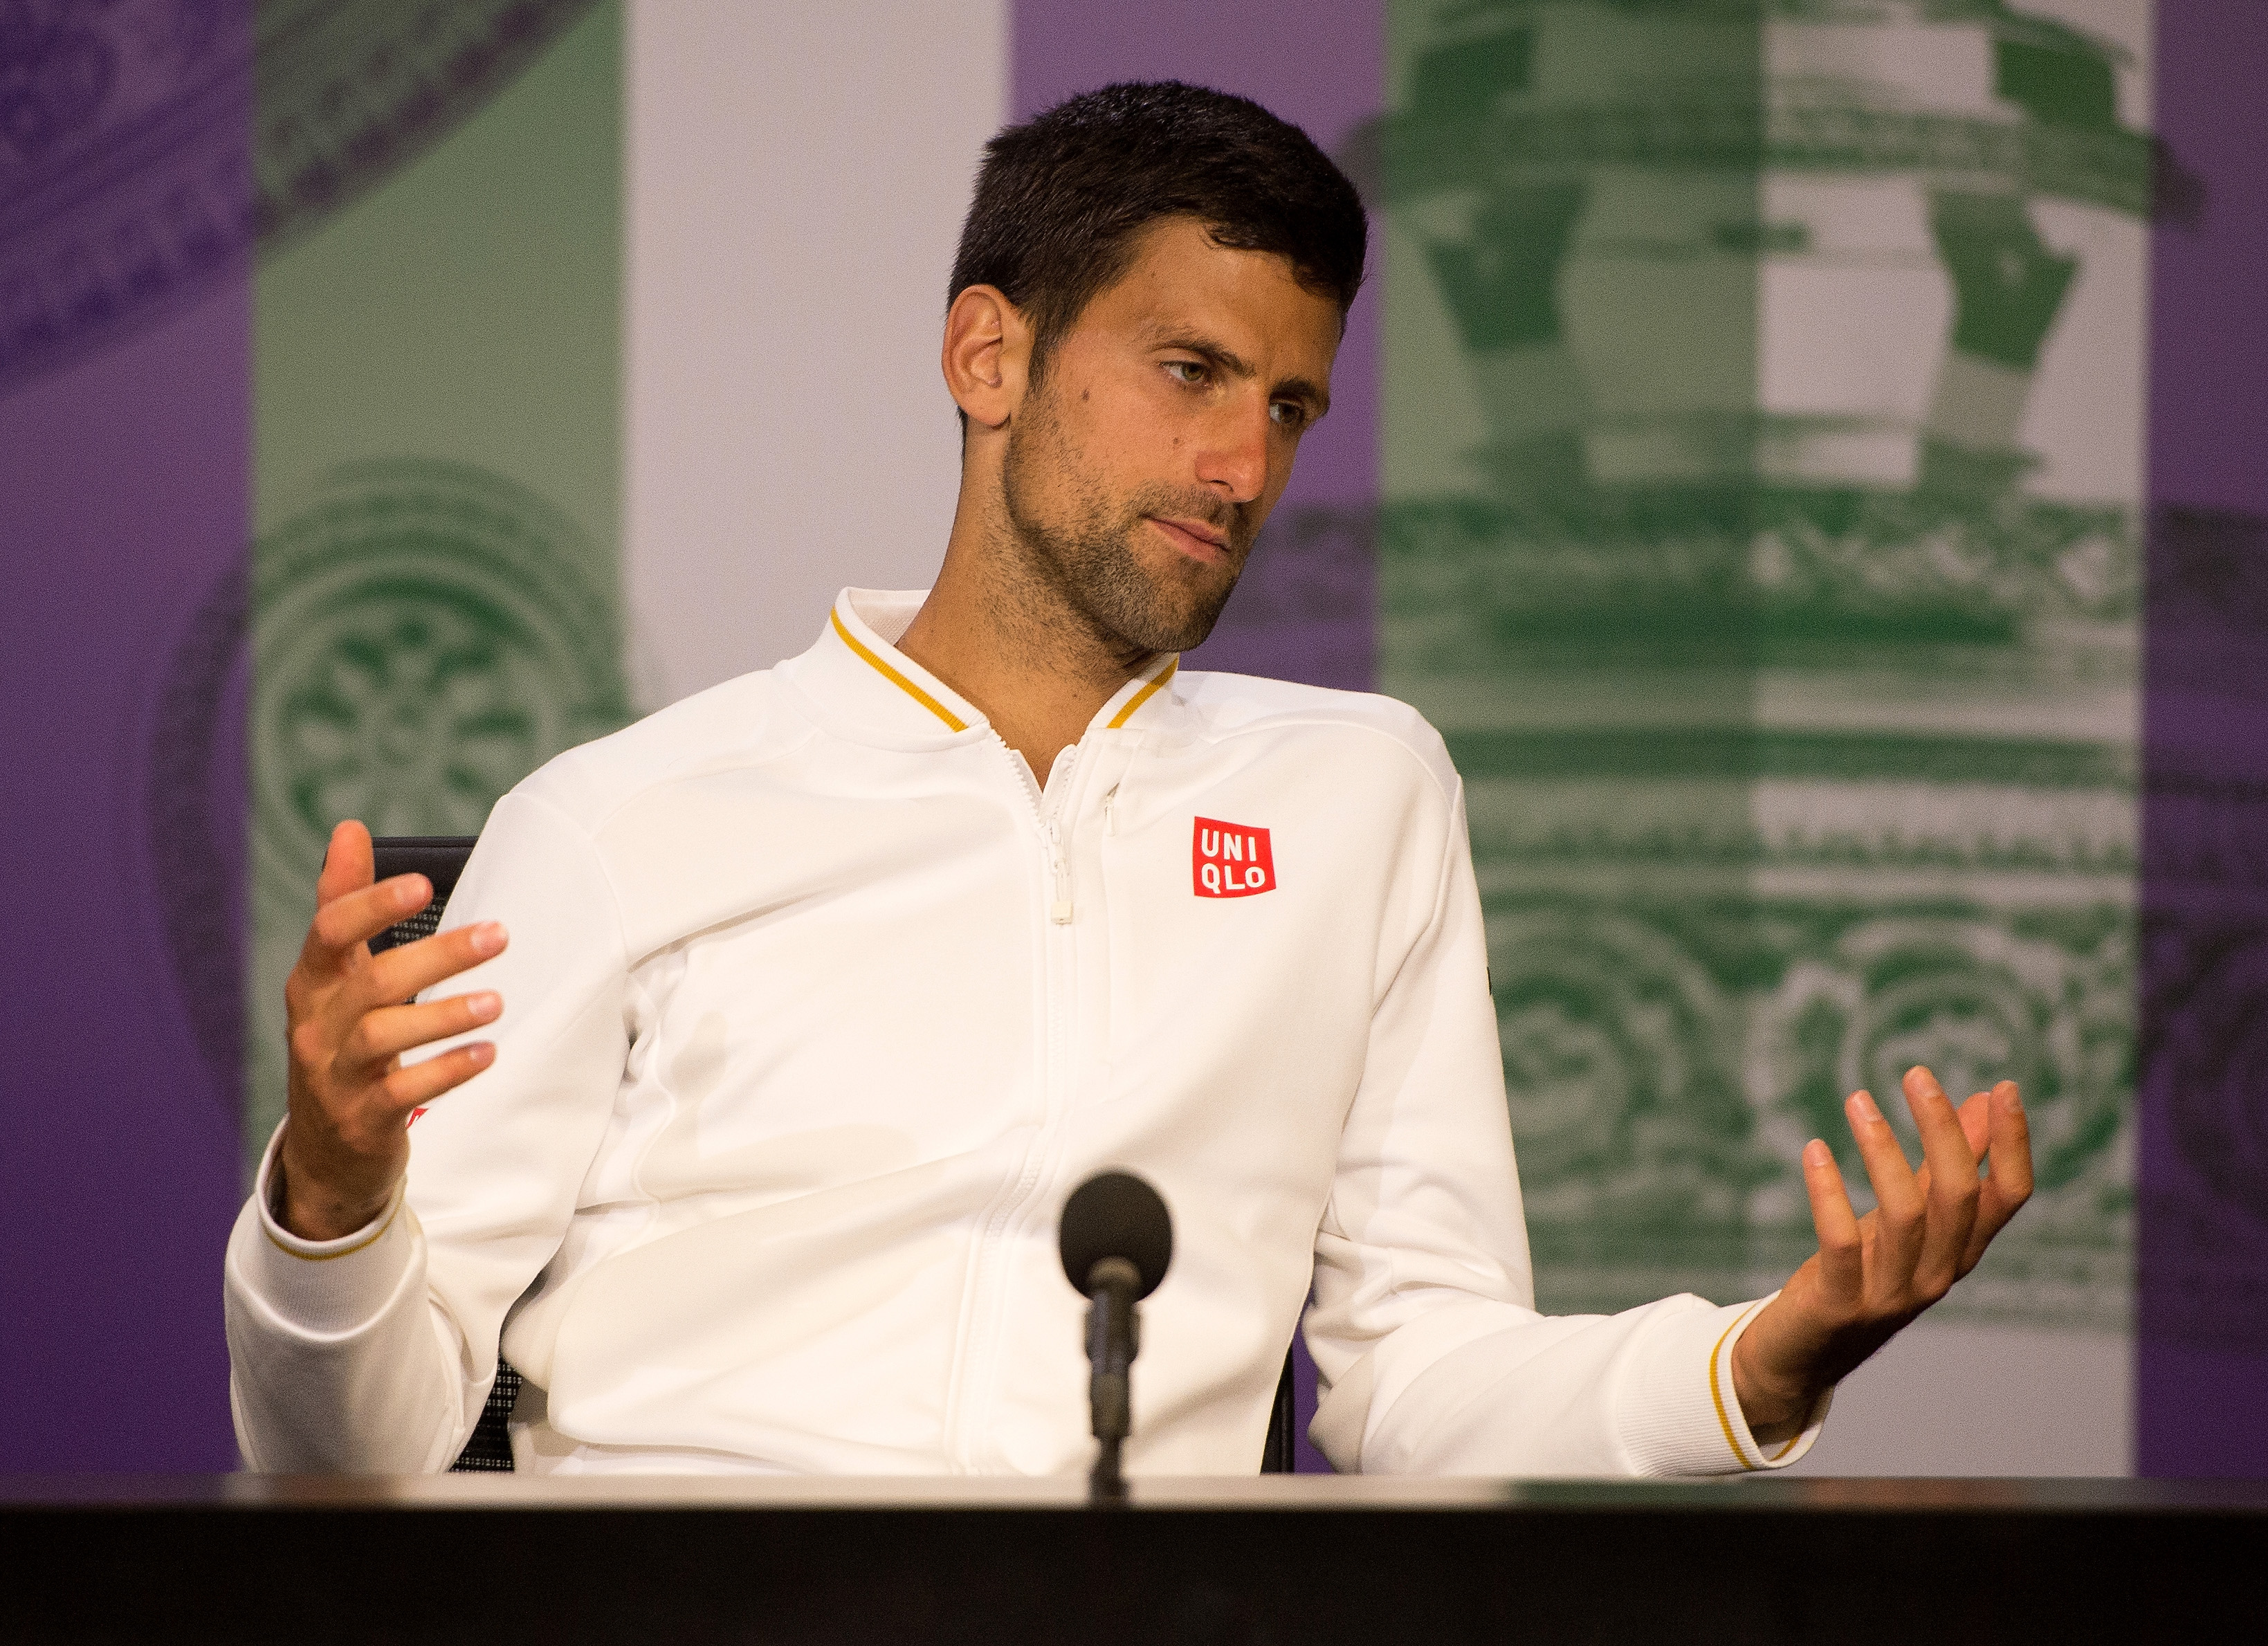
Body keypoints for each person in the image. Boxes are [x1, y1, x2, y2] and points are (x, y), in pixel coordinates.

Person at [224, 82, 2031, 1476]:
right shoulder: (618, 823)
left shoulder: (1362, 795)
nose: (1241, 462)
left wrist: (1759, 1360)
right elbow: (350, 1455)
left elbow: (1418, 1380)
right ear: (987, 352)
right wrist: (331, 1195)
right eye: (1190, 372)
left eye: (1292, 407)